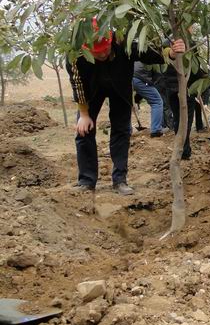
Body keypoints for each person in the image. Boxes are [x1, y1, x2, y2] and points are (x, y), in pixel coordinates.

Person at [67, 17, 185, 195]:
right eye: (96, 53)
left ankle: (120, 180)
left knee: (121, 131)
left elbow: (146, 52)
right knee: (83, 132)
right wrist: (84, 114)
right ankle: (86, 180)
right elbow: (77, 84)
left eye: (104, 51)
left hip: (119, 89)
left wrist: (171, 52)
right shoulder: (75, 55)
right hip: (90, 91)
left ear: (110, 40)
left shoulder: (122, 42)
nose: (101, 55)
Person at [132, 62, 165, 137]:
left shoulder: (139, 53)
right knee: (157, 102)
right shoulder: (156, 59)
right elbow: (156, 78)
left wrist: (140, 94)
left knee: (125, 103)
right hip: (139, 78)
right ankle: (156, 130)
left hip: (129, 76)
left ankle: (126, 131)